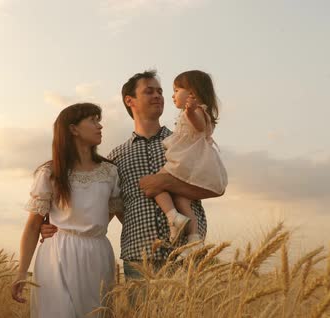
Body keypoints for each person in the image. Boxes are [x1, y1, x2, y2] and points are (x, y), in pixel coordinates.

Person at [41, 70, 222, 280]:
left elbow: (215, 187)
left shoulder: (185, 142)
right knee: (141, 314)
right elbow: (104, 208)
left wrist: (164, 183)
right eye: (149, 91)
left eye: (160, 91)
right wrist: (58, 228)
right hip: (140, 257)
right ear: (130, 100)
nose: (158, 96)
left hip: (187, 255)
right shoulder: (115, 158)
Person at [11, 103, 123, 318]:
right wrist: (22, 272)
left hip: (97, 255)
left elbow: (109, 213)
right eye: (93, 120)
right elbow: (33, 227)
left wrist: (84, 227)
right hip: (57, 255)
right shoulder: (51, 173)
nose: (100, 125)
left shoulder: (110, 172)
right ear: (73, 129)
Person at [154, 70, 228, 255]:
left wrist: (190, 110)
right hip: (192, 163)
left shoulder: (196, 111)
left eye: (177, 89)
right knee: (182, 199)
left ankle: (173, 217)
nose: (172, 95)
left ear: (192, 93)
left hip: (184, 162)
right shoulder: (197, 111)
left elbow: (200, 126)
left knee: (156, 183)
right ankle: (194, 240)